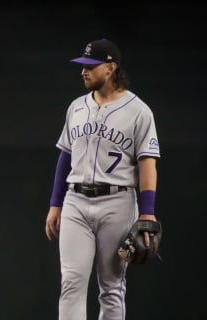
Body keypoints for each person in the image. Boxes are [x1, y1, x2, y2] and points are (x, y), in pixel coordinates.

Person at [45, 39, 161, 320]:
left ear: (110, 68)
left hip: (118, 201)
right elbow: (65, 157)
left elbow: (148, 163)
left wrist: (147, 212)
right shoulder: (76, 107)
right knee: (71, 282)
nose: (83, 71)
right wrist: (55, 203)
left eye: (90, 66)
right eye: (82, 66)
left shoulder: (139, 111)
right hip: (76, 201)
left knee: (111, 287)